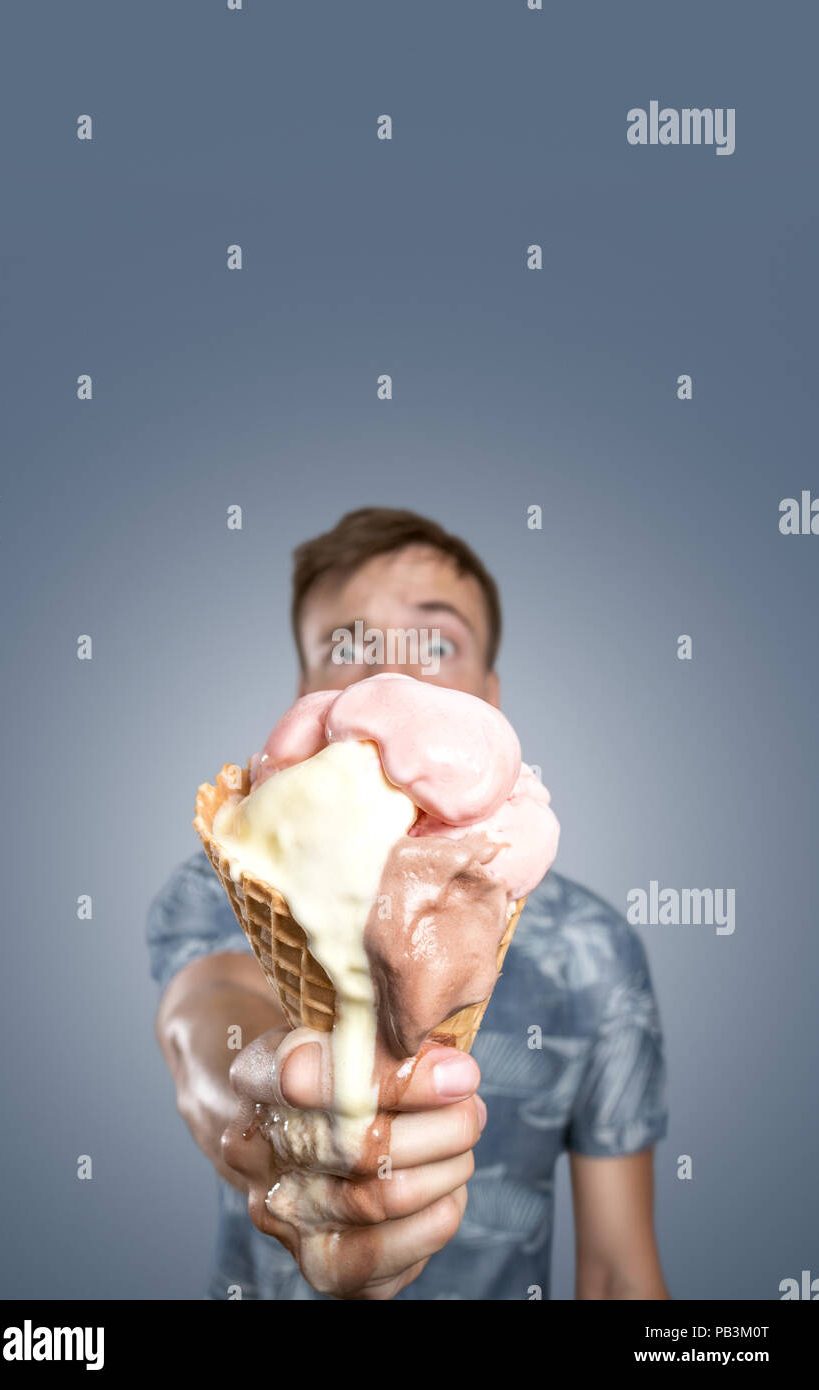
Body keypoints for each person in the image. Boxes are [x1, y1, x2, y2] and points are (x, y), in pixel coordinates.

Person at [147, 507, 670, 1300]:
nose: (391, 681)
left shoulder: (593, 949)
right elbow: (205, 1023)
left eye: (437, 644)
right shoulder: (222, 883)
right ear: (304, 694)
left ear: (491, 700)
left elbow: (618, 1272)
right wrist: (282, 1120)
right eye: (348, 647)